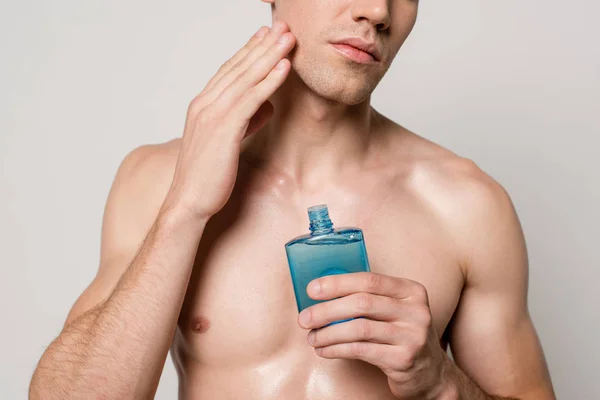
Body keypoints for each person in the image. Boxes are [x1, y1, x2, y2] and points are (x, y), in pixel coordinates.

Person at [29, 0, 556, 399]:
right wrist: (186, 206)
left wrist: (441, 384)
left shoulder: (468, 206)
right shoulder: (157, 180)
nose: (377, 11)